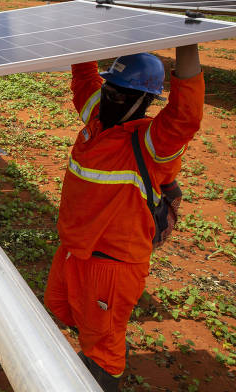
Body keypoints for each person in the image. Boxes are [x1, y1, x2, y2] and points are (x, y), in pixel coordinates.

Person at [44, 47, 204, 391]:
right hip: (75, 250)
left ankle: (98, 381)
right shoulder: (97, 117)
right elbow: (84, 79)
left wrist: (189, 42)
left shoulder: (150, 143)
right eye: (108, 90)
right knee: (59, 306)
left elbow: (185, 115)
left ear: (143, 101)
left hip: (112, 265)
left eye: (118, 94)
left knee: (102, 345)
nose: (108, 97)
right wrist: (83, 32)